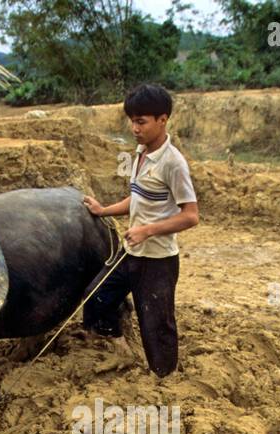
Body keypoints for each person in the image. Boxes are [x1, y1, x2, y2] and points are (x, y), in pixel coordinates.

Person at [81, 84, 199, 377]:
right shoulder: (141, 154)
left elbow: (191, 216)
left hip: (158, 260)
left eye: (141, 121)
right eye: (132, 121)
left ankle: (164, 378)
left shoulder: (173, 163)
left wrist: (148, 230)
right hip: (131, 252)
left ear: (162, 119)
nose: (134, 128)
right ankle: (124, 350)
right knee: (96, 296)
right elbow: (138, 197)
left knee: (157, 324)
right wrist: (103, 210)